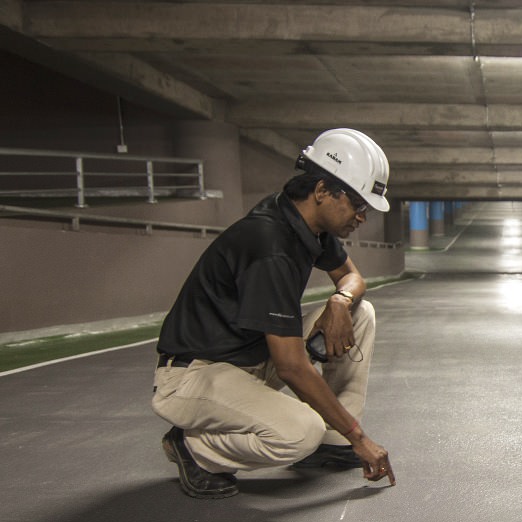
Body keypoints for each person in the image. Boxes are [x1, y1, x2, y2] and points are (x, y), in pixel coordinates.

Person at [153, 128, 396, 498]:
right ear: (321, 191)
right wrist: (360, 438)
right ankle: (195, 449)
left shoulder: (306, 224)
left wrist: (339, 301)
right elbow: (291, 367)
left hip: (248, 360)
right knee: (299, 433)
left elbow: (351, 276)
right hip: (194, 376)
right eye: (358, 205)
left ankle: (333, 439)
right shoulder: (269, 245)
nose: (362, 217)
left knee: (361, 313)